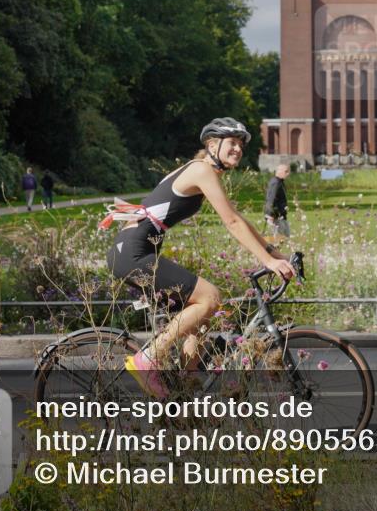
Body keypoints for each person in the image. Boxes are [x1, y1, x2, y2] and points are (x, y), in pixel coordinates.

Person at [101, 117, 296, 398]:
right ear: (213, 145)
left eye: (241, 145)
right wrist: (268, 262)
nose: (238, 149)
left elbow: (237, 217)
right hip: (133, 252)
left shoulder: (200, 170)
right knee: (211, 297)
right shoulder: (202, 170)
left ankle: (185, 389)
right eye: (232, 143)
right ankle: (148, 359)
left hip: (132, 251)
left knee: (203, 317)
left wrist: (273, 252)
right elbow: (231, 222)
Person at [264, 164, 291, 240]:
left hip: (282, 216)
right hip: (276, 216)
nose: (288, 174)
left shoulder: (280, 182)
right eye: (286, 171)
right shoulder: (275, 182)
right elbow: (270, 199)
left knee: (286, 237)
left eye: (288, 171)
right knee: (279, 239)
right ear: (279, 171)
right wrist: (270, 214)